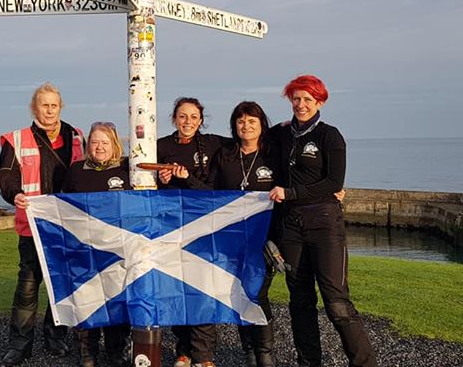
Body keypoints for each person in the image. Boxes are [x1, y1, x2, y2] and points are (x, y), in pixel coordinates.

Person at [268, 75, 378, 367]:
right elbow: (248, 141)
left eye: (307, 99)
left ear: (320, 102)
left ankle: (365, 363)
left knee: (337, 303)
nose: (301, 104)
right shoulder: (280, 133)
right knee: (300, 302)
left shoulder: (330, 135)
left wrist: (291, 192)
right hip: (291, 227)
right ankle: (309, 362)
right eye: (296, 98)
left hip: (324, 224)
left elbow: (333, 182)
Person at [177, 101, 279, 367]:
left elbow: (293, 182)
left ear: (261, 125)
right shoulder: (225, 156)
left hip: (265, 238)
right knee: (239, 293)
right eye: (241, 121)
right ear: (235, 125)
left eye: (252, 121)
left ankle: (265, 352)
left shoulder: (273, 154)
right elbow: (210, 194)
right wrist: (187, 177)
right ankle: (248, 352)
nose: (246, 126)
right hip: (231, 240)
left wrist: (333, 191)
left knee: (258, 292)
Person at [0, 83, 85, 366]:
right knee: (28, 285)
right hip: (32, 224)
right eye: (44, 105)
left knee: (62, 284)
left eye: (54, 105)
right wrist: (15, 194)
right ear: (35, 108)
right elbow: (5, 176)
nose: (49, 110)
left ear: (60, 107)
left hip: (67, 224)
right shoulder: (17, 139)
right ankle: (20, 345)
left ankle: (55, 336)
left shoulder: (77, 137)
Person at [156, 97, 227, 367]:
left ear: (201, 120)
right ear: (174, 118)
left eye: (193, 117)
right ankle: (183, 349)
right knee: (178, 287)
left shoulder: (213, 143)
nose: (188, 122)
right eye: (183, 116)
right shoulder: (161, 145)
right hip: (171, 228)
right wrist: (161, 179)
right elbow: (144, 181)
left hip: (205, 228)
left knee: (203, 286)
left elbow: (251, 142)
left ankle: (204, 355)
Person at [63, 121, 132, 367]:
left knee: (116, 300)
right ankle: (87, 351)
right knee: (87, 299)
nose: (99, 147)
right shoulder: (76, 170)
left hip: (118, 249)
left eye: (105, 142)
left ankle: (116, 350)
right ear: (88, 145)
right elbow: (62, 207)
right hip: (85, 249)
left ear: (114, 144)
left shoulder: (127, 169)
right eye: (94, 142)